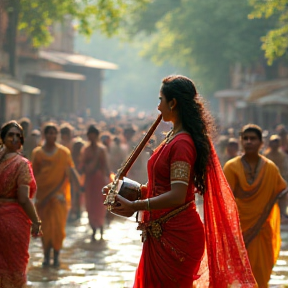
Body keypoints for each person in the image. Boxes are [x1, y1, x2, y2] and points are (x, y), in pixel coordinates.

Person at [106, 75, 257, 288]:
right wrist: (126, 191)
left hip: (178, 237)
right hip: (160, 233)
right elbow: (161, 187)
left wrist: (136, 205)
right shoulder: (171, 138)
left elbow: (177, 195)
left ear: (173, 103)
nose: (158, 107)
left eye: (160, 100)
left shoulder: (182, 144)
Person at [223, 124, 287, 288]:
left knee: (261, 274)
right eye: (245, 138)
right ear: (241, 141)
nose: (249, 142)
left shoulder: (270, 169)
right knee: (239, 277)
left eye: (253, 139)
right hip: (239, 230)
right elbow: (225, 200)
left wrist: (284, 212)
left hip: (262, 229)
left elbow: (281, 191)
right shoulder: (231, 167)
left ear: (261, 143)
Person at [0, 120, 42, 287]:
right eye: (11, 135)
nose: (15, 139)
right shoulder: (21, 164)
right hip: (13, 223)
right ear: (2, 139)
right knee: (15, 269)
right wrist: (36, 220)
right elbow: (23, 198)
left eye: (18, 136)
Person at [32, 123, 77, 267]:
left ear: (57, 135)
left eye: (54, 133)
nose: (52, 136)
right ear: (44, 135)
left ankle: (56, 256)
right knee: (44, 228)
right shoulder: (37, 153)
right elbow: (34, 175)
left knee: (58, 228)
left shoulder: (64, 153)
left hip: (59, 196)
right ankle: (46, 256)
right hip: (42, 197)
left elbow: (67, 174)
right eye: (49, 133)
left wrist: (78, 189)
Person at [80, 125, 110, 241]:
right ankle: (93, 230)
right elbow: (82, 166)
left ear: (97, 136)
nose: (91, 138)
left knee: (101, 206)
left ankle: (101, 229)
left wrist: (110, 183)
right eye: (90, 136)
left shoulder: (102, 150)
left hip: (100, 182)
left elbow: (106, 167)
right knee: (90, 206)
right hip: (89, 182)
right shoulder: (85, 150)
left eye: (94, 135)